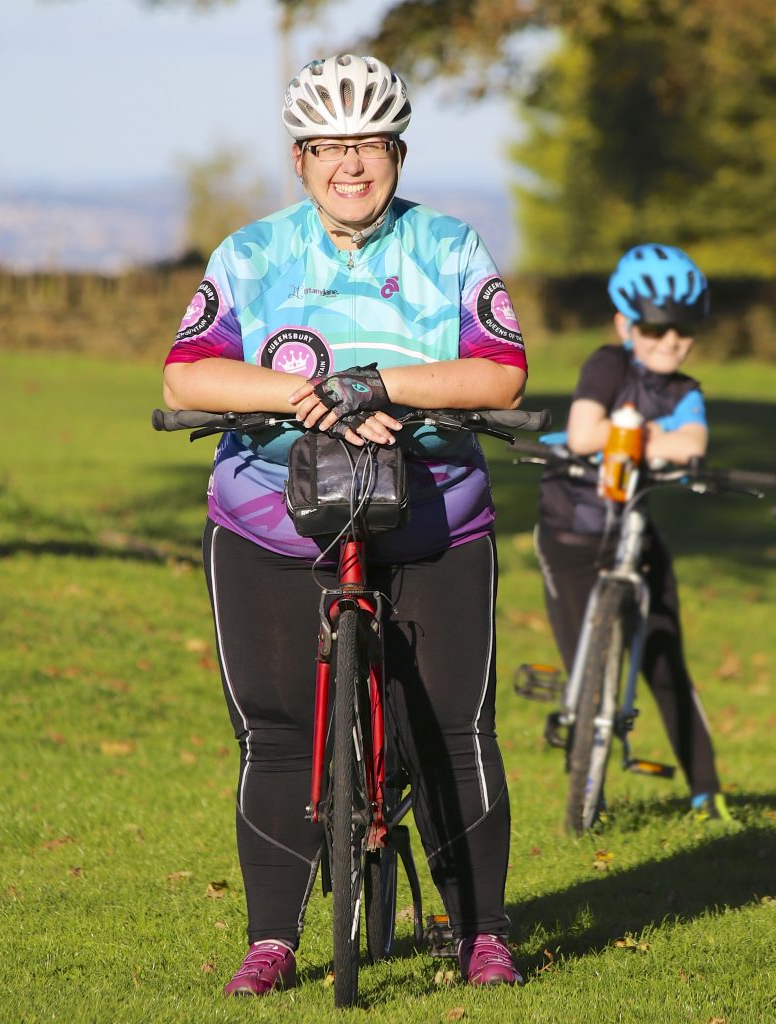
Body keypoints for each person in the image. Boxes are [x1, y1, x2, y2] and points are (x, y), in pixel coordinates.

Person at [162, 54, 528, 995]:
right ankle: (273, 940)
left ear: (397, 152)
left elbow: (500, 372)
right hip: (268, 517)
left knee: (455, 726)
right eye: (328, 146)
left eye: (367, 143)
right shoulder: (250, 254)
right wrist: (306, 395)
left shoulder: (450, 247)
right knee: (279, 732)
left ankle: (481, 930)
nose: (349, 165)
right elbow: (186, 376)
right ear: (300, 160)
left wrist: (383, 385)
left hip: (433, 515)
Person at [533, 243, 734, 823]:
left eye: (684, 329)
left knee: (666, 659)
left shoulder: (685, 391)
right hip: (572, 534)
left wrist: (628, 434)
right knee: (584, 671)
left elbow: (691, 447)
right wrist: (648, 439)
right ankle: (585, 781)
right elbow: (581, 432)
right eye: (654, 327)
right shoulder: (607, 364)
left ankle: (705, 789)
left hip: (635, 537)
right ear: (626, 324)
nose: (670, 340)